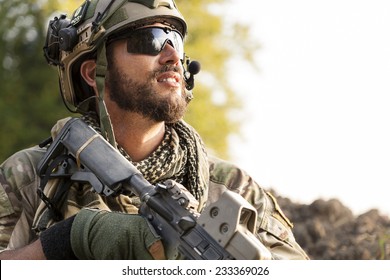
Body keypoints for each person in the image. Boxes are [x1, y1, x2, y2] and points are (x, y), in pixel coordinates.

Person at [0, 0, 308, 260]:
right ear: (94, 72)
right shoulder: (29, 178)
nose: (173, 56)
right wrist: (69, 238)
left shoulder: (234, 191)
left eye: (175, 40)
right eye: (150, 40)